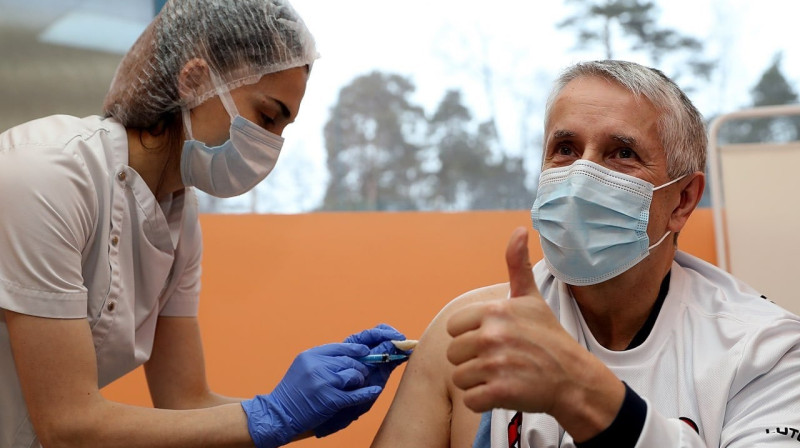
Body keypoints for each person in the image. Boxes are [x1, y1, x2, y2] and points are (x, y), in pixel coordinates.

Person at [0, 1, 409, 447]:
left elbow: (185, 401)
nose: (271, 145)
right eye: (267, 117)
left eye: (282, 127)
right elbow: (68, 423)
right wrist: (274, 414)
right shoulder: (45, 176)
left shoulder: (179, 214)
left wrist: (307, 411)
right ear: (194, 80)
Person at [371, 60, 800, 448]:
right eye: (565, 149)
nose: (582, 174)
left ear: (683, 200)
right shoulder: (471, 333)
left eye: (622, 153)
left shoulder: (764, 352)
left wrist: (581, 393)